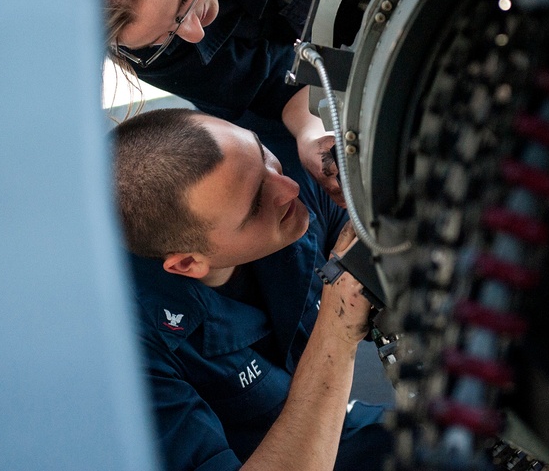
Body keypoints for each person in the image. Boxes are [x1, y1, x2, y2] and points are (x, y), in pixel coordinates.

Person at [112, 107, 393, 471]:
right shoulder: (129, 359)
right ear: (187, 263)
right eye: (257, 203)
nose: (288, 186)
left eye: (263, 155)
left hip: (339, 426)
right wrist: (337, 333)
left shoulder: (272, 179)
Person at [94, 0, 357, 206]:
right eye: (165, 37)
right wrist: (312, 133)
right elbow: (270, 89)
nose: (195, 32)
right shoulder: (138, 47)